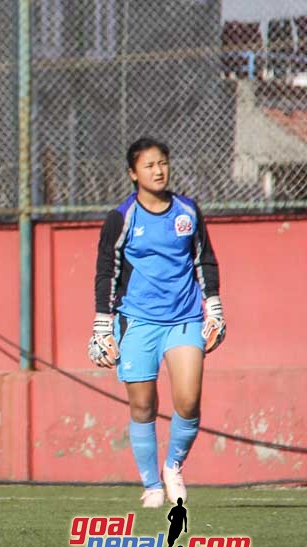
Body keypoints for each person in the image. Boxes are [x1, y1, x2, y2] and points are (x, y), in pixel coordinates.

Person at [88, 137, 225, 509]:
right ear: (134, 173)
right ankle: (150, 484)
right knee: (143, 406)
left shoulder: (187, 210)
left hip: (184, 318)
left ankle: (172, 467)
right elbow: (107, 271)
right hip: (138, 322)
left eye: (162, 162)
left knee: (189, 401)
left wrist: (213, 305)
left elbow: (204, 260)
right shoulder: (122, 217)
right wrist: (103, 323)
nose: (158, 170)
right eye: (149, 165)